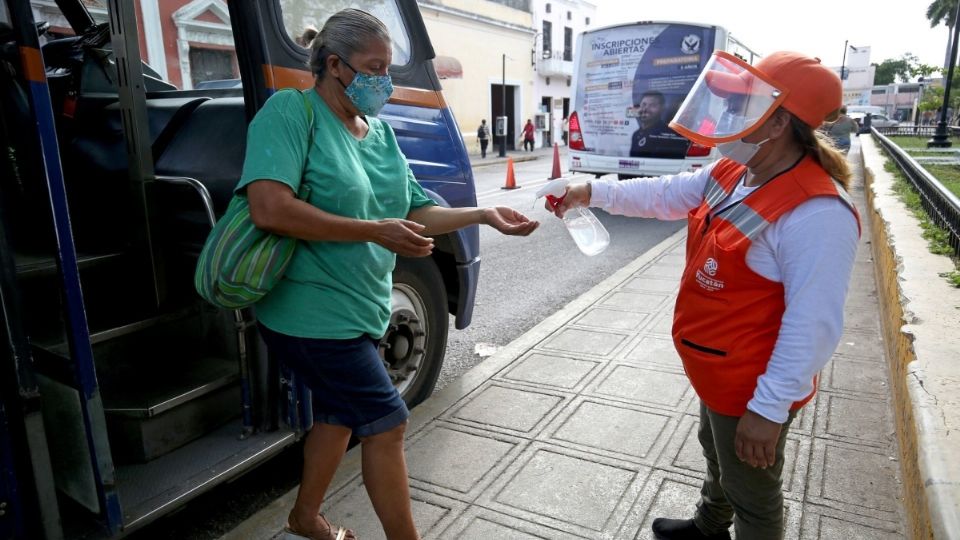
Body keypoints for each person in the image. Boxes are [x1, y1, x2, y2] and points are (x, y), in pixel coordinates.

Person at [240, 9, 539, 540]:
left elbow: (417, 209)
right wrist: (373, 230)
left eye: (388, 68)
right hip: (307, 311)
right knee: (388, 419)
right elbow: (270, 208)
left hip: (362, 306)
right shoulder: (290, 113)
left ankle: (304, 518)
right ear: (335, 65)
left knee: (337, 412)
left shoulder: (376, 133)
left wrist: (482, 214)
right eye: (374, 67)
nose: (385, 80)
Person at [548, 51, 859, 540]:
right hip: (718, 370)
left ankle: (721, 522)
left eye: (741, 105)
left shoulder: (817, 213)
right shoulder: (736, 173)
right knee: (716, 451)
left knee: (753, 497)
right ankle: (709, 526)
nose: (727, 117)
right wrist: (592, 191)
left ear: (777, 122)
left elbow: (814, 325)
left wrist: (768, 410)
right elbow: (665, 193)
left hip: (751, 386)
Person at [629, 91, 690, 158]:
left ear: (662, 109)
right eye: (643, 104)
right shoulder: (636, 134)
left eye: (652, 105)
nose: (645, 109)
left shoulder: (669, 134)